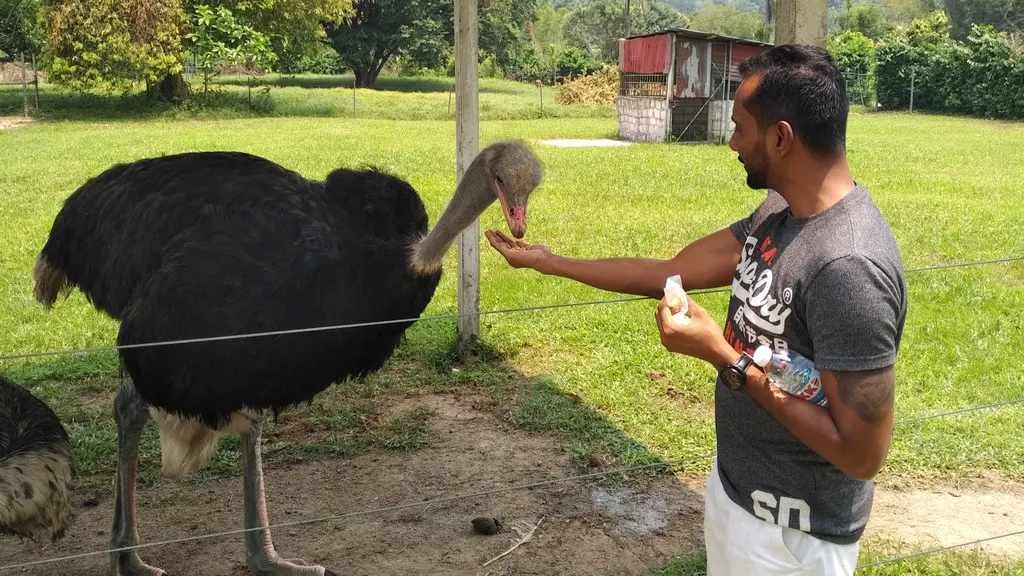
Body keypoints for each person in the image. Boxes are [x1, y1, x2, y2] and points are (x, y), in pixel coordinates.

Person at [485, 44, 908, 575]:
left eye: (740, 128)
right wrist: (552, 263)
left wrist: (725, 358)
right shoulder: (779, 212)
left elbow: (862, 455)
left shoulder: (849, 267)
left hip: (793, 537)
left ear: (780, 138)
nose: (731, 142)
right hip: (740, 494)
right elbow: (670, 270)